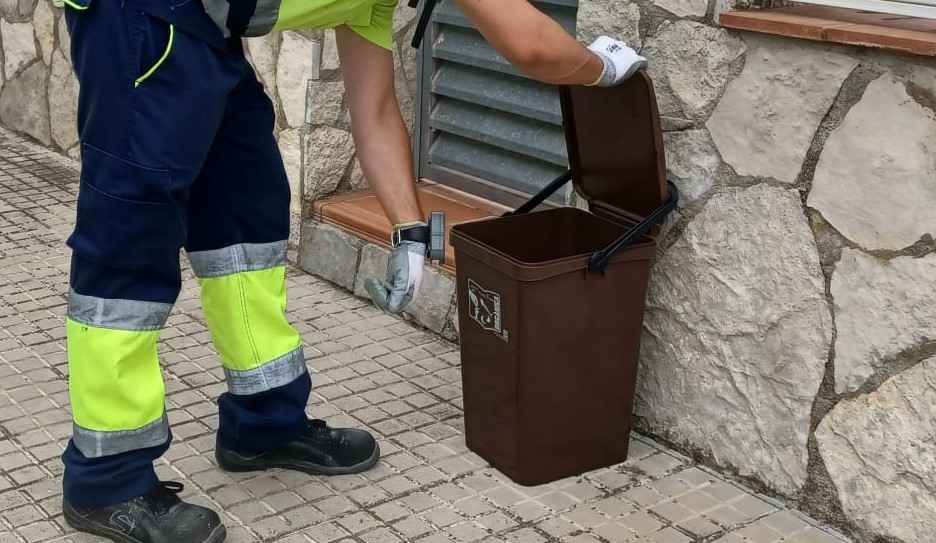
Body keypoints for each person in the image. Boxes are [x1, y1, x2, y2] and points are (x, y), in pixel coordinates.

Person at [57, 0, 647, 542]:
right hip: (136, 16)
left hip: (202, 28)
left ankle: (264, 425)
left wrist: (415, 236)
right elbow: (533, 45)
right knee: (131, 235)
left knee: (246, 215)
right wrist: (606, 66)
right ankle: (106, 479)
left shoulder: (371, 3)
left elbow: (376, 108)